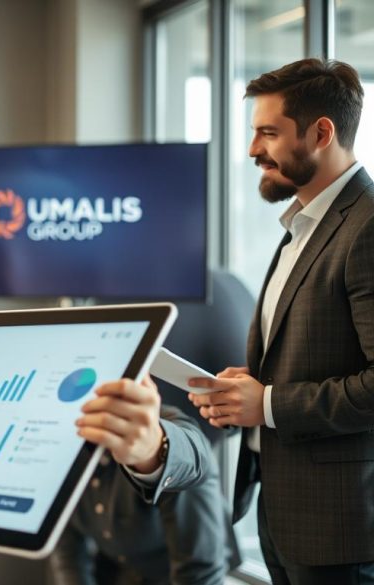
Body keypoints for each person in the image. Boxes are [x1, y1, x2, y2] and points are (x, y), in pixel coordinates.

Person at [188, 58, 374, 584]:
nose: (252, 150)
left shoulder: (367, 227)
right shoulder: (301, 227)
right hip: (283, 511)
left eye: (268, 133)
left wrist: (266, 404)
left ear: (321, 132)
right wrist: (248, 390)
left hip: (342, 530)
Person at [54, 376, 237, 585]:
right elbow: (69, 557)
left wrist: (154, 450)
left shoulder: (153, 430)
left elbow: (200, 574)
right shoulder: (59, 449)